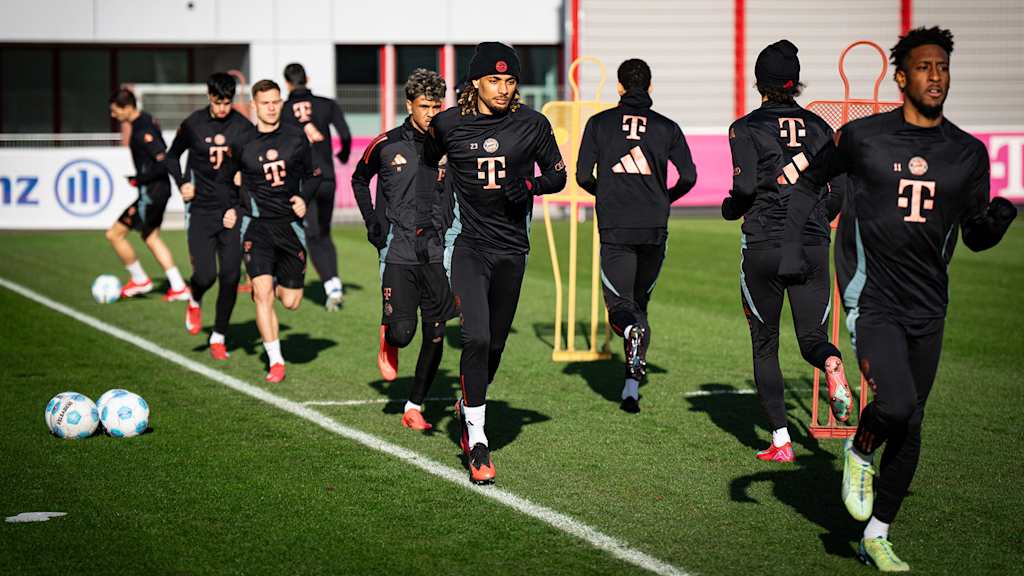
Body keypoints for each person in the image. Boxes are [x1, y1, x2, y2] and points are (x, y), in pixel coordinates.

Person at [778, 27, 1017, 571]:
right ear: (901, 77)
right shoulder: (864, 138)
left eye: (943, 67)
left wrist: (998, 220)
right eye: (925, 67)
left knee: (911, 423)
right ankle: (860, 448)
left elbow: (976, 235)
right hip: (873, 296)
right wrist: (794, 248)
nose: (936, 76)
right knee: (896, 404)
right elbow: (809, 182)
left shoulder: (967, 154)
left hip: (930, 304)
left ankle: (877, 534)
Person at [423, 42, 567, 484]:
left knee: (497, 346)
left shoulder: (533, 124)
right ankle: (478, 442)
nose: (503, 89)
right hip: (469, 247)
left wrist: (530, 185)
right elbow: (431, 160)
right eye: (494, 80)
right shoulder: (448, 124)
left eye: (509, 80)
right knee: (476, 337)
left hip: (512, 251)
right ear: (476, 82)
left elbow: (559, 176)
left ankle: (469, 402)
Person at [720, 41, 853, 461]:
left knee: (765, 344)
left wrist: (730, 209)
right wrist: (818, 217)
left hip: (765, 244)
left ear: (758, 81)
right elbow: (841, 189)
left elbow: (743, 190)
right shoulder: (819, 126)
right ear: (795, 83)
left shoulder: (744, 127)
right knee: (813, 339)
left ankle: (781, 441)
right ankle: (832, 364)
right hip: (812, 243)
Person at [576, 58, 697, 414]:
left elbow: (583, 175)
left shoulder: (599, 123)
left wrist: (607, 194)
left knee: (620, 307)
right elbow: (688, 176)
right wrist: (663, 198)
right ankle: (631, 387)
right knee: (640, 304)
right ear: (650, 87)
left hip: (616, 225)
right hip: (654, 226)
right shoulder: (667, 127)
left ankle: (629, 341)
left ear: (619, 87)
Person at [352, 69, 455, 432]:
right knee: (403, 334)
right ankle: (388, 334)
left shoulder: (449, 145)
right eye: (425, 106)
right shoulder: (386, 143)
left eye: (437, 106)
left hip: (435, 251)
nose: (431, 113)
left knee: (437, 331)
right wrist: (371, 221)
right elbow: (359, 179)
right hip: (398, 251)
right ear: (409, 105)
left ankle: (414, 406)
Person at [165, 72, 256, 360]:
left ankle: (218, 335)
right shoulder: (193, 123)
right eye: (217, 102)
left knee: (230, 275)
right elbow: (170, 156)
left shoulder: (244, 128)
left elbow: (254, 170)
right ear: (209, 96)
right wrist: (182, 183)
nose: (221, 108)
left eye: (227, 102)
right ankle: (194, 297)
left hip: (230, 211)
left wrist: (239, 207)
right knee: (205, 275)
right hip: (200, 210)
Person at [237, 79, 322, 383]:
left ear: (281, 103)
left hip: (289, 228)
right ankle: (276, 361)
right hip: (256, 227)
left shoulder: (296, 138)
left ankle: (271, 279)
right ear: (254, 106)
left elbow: (314, 176)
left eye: (275, 102)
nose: (271, 108)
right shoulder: (243, 141)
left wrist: (303, 198)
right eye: (265, 103)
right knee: (262, 295)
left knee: (291, 301)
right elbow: (227, 181)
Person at [106, 88, 190, 302]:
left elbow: (163, 160)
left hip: (153, 192)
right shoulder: (142, 122)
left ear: (127, 107)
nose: (113, 115)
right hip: (153, 190)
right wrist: (139, 178)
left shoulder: (143, 128)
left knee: (115, 234)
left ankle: (140, 279)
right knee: (150, 237)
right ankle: (178, 286)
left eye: (115, 111)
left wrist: (140, 179)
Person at [282, 63, 353, 311]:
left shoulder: (283, 109)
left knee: (310, 235)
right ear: (307, 78)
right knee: (324, 232)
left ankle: (330, 286)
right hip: (328, 178)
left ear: (287, 83)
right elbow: (344, 134)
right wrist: (343, 156)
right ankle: (334, 282)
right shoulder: (326, 104)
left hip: (303, 181)